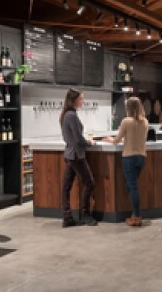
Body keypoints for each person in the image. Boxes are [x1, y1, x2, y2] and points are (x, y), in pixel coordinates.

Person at [60, 89, 97, 227]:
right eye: (81, 99)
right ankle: (85, 214)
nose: (83, 101)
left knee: (66, 186)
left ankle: (67, 217)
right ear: (74, 100)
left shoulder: (67, 114)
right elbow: (78, 139)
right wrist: (89, 143)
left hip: (70, 154)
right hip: (76, 155)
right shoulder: (72, 116)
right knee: (89, 183)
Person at [111, 97, 148, 227]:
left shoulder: (126, 121)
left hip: (129, 157)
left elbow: (116, 140)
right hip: (141, 157)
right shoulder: (145, 121)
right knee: (131, 186)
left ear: (129, 108)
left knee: (132, 187)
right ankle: (134, 214)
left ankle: (137, 216)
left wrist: (107, 140)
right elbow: (138, 138)